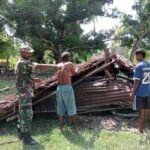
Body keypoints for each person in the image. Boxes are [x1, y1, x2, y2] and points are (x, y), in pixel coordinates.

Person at [16, 46, 60, 145]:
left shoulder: (21, 62)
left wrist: (33, 79)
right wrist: (55, 66)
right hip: (24, 93)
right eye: (28, 53)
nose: (30, 54)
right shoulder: (23, 63)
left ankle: (20, 132)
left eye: (31, 52)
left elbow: (23, 76)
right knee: (27, 113)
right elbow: (39, 66)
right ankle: (26, 137)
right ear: (22, 52)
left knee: (22, 112)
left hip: (23, 91)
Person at [56, 52, 79, 133]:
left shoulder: (58, 65)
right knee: (71, 107)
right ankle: (75, 128)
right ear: (68, 57)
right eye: (70, 57)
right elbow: (75, 73)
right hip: (67, 88)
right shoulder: (69, 63)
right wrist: (77, 68)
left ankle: (61, 128)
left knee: (60, 109)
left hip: (59, 88)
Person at [130, 48, 150, 134]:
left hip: (140, 92)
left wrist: (132, 93)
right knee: (145, 112)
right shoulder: (149, 65)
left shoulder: (138, 66)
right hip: (148, 92)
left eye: (136, 55)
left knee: (141, 112)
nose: (136, 57)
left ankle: (140, 130)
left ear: (140, 55)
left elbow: (136, 81)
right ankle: (143, 128)